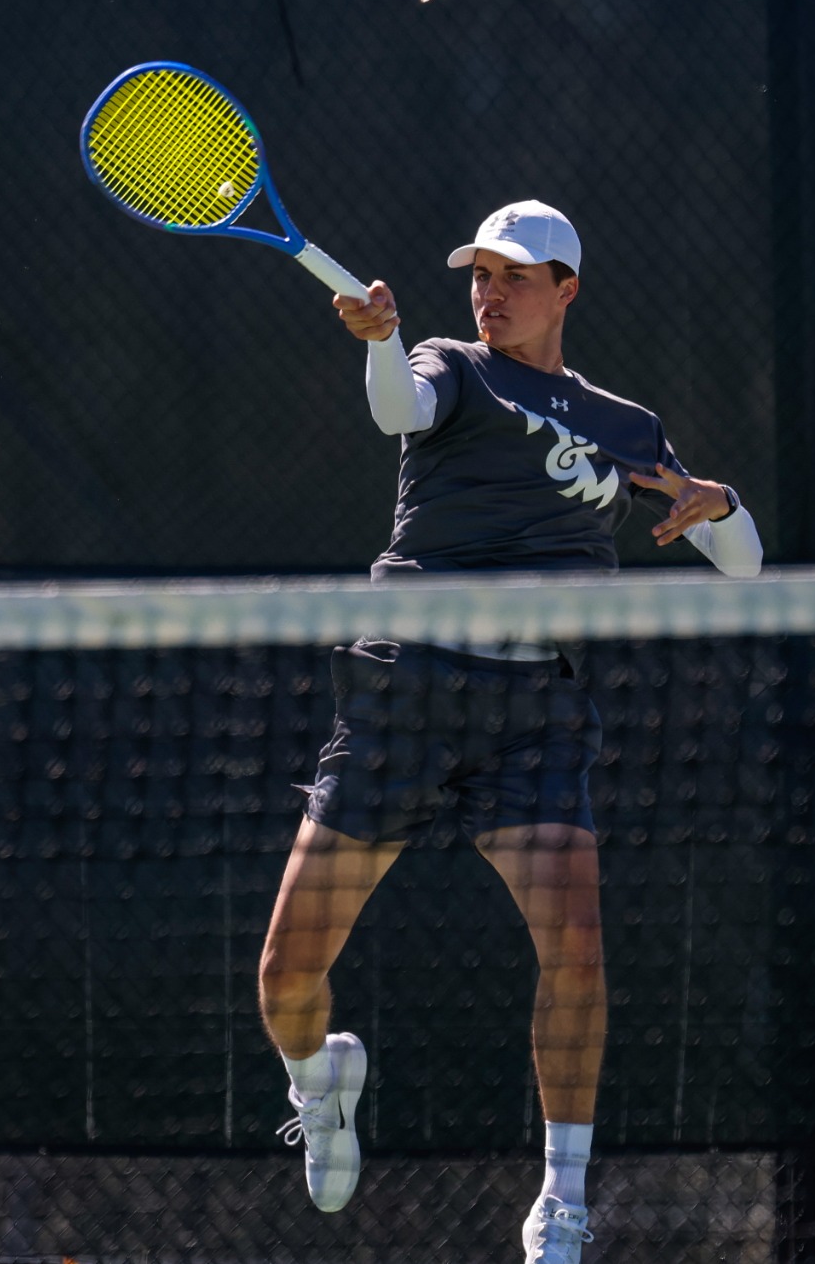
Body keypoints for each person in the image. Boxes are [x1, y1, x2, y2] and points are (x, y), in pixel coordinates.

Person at [256, 201, 764, 1264]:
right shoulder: (447, 363)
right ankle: (322, 1082)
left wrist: (713, 507)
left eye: (516, 276)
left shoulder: (622, 425)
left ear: (565, 290)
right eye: (480, 272)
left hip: (533, 710)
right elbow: (399, 409)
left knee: (574, 950)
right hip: (406, 689)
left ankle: (561, 1201)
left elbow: (742, 562)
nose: (490, 290)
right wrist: (384, 339)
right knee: (284, 979)